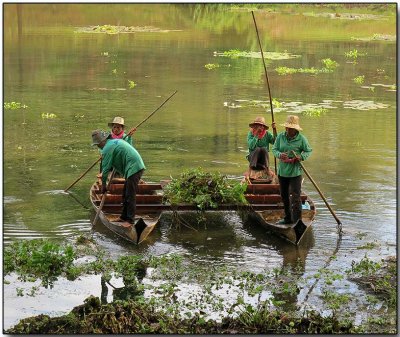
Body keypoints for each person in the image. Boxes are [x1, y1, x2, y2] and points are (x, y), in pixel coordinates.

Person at [92, 129, 146, 224]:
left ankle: (130, 220)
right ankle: (124, 217)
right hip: (133, 167)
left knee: (130, 195)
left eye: (98, 144)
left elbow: (105, 171)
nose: (98, 146)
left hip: (134, 167)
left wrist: (104, 186)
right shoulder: (114, 142)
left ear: (102, 141)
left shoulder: (107, 148)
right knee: (125, 194)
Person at [272, 115, 312, 225]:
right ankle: (288, 218)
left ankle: (297, 221)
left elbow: (308, 151)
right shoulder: (280, 137)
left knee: (296, 196)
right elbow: (274, 149)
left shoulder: (301, 139)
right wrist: (280, 155)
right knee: (284, 196)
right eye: (287, 128)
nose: (288, 130)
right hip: (283, 172)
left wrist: (301, 157)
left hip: (295, 172)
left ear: (295, 129)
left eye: (290, 128)